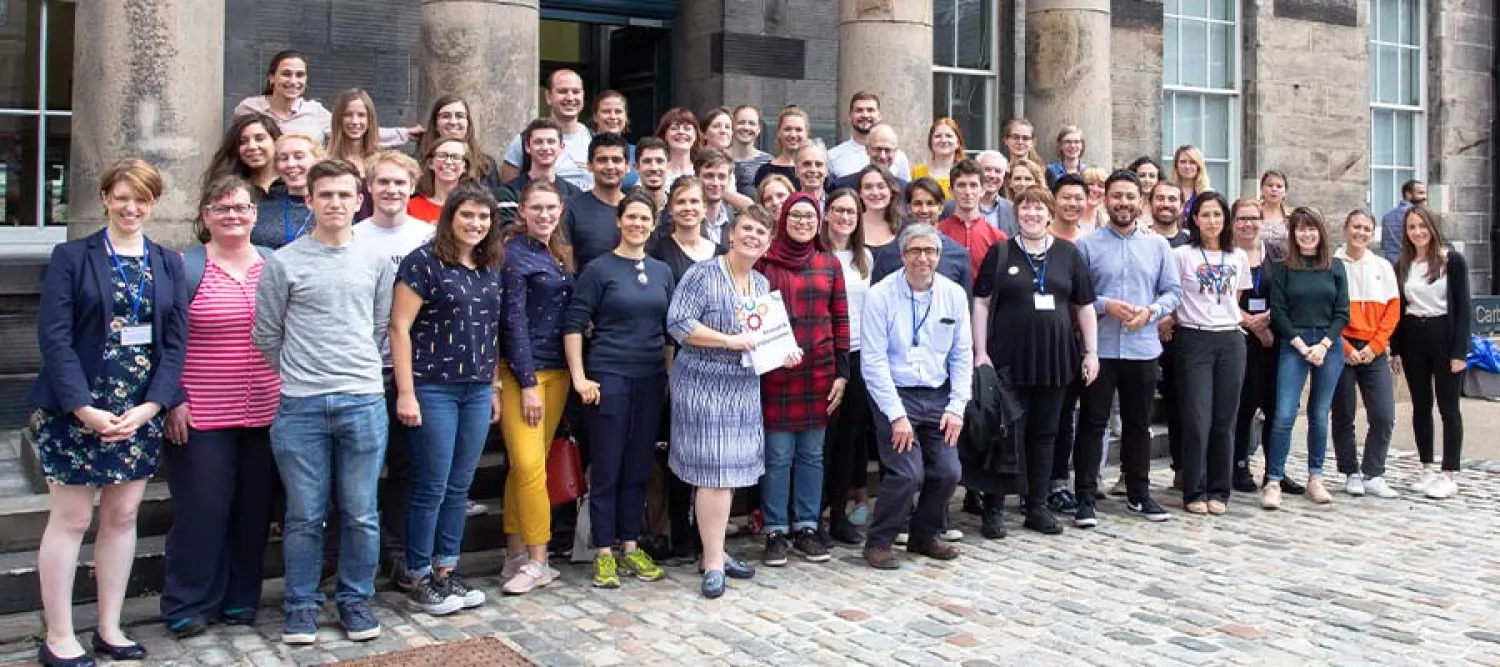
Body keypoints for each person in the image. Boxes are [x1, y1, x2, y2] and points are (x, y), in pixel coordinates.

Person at [33, 160, 185, 666]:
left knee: (121, 517)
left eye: (141, 198)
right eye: (121, 196)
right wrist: (83, 408)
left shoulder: (167, 262)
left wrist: (151, 407)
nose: (131, 207)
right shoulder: (71, 257)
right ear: (104, 197)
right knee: (72, 519)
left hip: (138, 415)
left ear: (153, 203)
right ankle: (58, 634)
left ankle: (109, 627)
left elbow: (175, 344)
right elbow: (54, 339)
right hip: (77, 412)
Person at [252, 159, 394, 645]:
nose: (336, 203)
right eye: (326, 195)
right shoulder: (284, 262)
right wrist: (301, 372)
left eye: (344, 195)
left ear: (359, 202)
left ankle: (355, 601)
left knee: (360, 511)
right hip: (301, 406)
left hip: (362, 401)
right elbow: (268, 333)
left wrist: (348, 368)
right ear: (309, 201)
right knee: (305, 514)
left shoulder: (375, 261)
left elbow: (378, 327)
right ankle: (301, 605)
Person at [160, 176, 280, 640]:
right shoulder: (183, 268)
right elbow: (165, 342)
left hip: (266, 411)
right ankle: (188, 601)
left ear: (255, 215)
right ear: (206, 215)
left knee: (253, 511)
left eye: (242, 208)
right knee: (202, 510)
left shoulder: (273, 265)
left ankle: (239, 599)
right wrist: (173, 398)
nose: (233, 215)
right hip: (201, 413)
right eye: (222, 208)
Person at [389, 182, 504, 615]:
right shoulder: (423, 263)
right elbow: (399, 327)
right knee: (431, 484)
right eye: (467, 215)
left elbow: (492, 331)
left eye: (483, 216)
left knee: (459, 485)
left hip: (475, 388)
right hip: (432, 386)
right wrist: (406, 392)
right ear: (450, 216)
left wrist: (493, 385)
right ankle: (417, 573)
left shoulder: (490, 265)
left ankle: (446, 569)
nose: (475, 224)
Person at [665, 206, 781, 598]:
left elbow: (763, 339)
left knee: (729, 474)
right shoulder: (703, 273)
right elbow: (678, 323)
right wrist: (728, 340)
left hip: (744, 386)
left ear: (768, 244)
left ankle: (712, 551)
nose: (752, 236)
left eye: (760, 233)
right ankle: (714, 563)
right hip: (703, 382)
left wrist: (783, 351)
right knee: (714, 472)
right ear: (732, 233)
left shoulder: (763, 286)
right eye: (746, 228)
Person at [971, 186, 1099, 536]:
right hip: (1007, 359)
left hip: (1055, 359)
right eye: (1025, 208)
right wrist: (980, 352)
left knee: (1046, 434)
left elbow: (1085, 305)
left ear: (1050, 213)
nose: (1031, 214)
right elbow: (981, 303)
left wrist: (1091, 352)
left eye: (1039, 209)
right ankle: (994, 509)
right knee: (1006, 433)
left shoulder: (1069, 255)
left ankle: (1037, 506)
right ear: (1017, 214)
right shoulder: (1000, 253)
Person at [563, 192, 675, 588]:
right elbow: (575, 325)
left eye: (645, 218)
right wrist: (580, 378)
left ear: (653, 223)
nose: (638, 224)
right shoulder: (598, 269)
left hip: (649, 379)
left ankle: (631, 545)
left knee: (639, 467)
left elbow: (667, 333)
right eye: (631, 217)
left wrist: (667, 376)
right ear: (619, 220)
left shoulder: (662, 271)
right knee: (608, 467)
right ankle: (604, 551)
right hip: (608, 376)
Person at [860, 224, 972, 569]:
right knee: (907, 473)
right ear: (902, 255)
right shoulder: (880, 295)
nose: (923, 258)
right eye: (915, 251)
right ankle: (879, 541)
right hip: (896, 392)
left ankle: (925, 535)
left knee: (948, 471)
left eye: (930, 252)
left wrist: (957, 406)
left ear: (939, 256)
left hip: (938, 394)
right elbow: (873, 361)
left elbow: (962, 353)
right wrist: (896, 415)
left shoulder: (952, 294)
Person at [1074, 171, 1182, 525]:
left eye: (1130, 196)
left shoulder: (1157, 246)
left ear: (1141, 201)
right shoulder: (1087, 245)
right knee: (1093, 423)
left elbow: (1173, 292)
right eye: (1116, 196)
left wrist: (1152, 312)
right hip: (1101, 347)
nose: (1123, 203)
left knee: (1138, 425)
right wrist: (1108, 306)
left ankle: (1139, 493)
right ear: (1105, 199)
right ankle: (1086, 498)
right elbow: (1080, 294)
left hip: (1143, 347)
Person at [350, 151, 433, 587]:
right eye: (382, 182)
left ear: (412, 186)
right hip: (364, 369)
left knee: (407, 467)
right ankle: (358, 559)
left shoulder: (428, 237)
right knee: (362, 469)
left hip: (418, 371)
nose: (391, 190)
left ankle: (398, 553)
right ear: (369, 187)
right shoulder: (353, 237)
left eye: (399, 183)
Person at [755, 193, 849, 567]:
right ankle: (776, 529)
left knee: (811, 455)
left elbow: (841, 321)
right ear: (783, 218)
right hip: (776, 374)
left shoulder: (829, 264)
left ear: (819, 220)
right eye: (795, 214)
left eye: (810, 216)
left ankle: (807, 526)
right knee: (777, 457)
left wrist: (842, 373)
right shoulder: (764, 264)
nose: (802, 221)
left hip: (819, 373)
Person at [496, 181, 575, 594]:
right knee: (529, 466)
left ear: (560, 210)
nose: (545, 215)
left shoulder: (557, 254)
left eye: (551, 208)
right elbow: (513, 322)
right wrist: (525, 381)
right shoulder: (513, 256)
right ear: (522, 211)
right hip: (524, 374)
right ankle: (539, 560)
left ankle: (514, 553)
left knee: (527, 465)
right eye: (537, 208)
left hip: (558, 372)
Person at [648, 177, 724, 561]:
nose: (689, 208)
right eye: (681, 201)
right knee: (678, 447)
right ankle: (679, 527)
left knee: (709, 447)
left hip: (718, 363)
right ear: (671, 207)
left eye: (695, 201)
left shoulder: (720, 251)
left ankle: (705, 529)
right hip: (674, 359)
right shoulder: (658, 250)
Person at [1264, 207, 1349, 509]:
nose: (1306, 234)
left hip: (1328, 344)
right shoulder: (1283, 268)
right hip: (1294, 342)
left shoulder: (1335, 267)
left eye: (1311, 229)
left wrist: (1324, 344)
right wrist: (1302, 346)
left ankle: (1316, 477)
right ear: (1293, 233)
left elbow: (1342, 312)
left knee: (1319, 413)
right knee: (1285, 413)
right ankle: (1273, 479)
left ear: (1321, 232)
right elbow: (1279, 312)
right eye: (1300, 229)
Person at [1171, 191, 1251, 515]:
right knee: (1197, 417)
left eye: (1218, 215)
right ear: (1194, 219)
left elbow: (1238, 297)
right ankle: (1195, 489)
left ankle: (1220, 488)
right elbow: (1174, 296)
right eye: (1205, 215)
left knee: (1224, 418)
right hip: (1194, 339)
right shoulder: (1182, 255)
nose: (1212, 221)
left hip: (1230, 339)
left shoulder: (1238, 257)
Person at [1392, 206, 1471, 500]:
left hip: (1444, 335)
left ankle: (1449, 473)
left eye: (1422, 226)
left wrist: (1460, 350)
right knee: (1421, 405)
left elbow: (1463, 308)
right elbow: (1399, 309)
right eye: (1412, 227)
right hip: (1414, 335)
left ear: (1433, 228)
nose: (1417, 233)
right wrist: (1396, 348)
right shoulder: (1402, 264)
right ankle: (1427, 467)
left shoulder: (1453, 261)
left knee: (1448, 407)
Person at [1331, 210, 1401, 499]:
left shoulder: (1382, 266)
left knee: (1384, 414)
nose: (1361, 233)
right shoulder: (1333, 265)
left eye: (1367, 229)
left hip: (1373, 348)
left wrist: (1376, 346)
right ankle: (1350, 472)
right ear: (1346, 228)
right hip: (1341, 346)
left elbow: (1392, 309)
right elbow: (1325, 311)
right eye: (1356, 227)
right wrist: (1344, 347)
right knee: (1343, 413)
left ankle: (1374, 471)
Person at [819, 189, 874, 544]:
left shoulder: (864, 257)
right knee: (821, 441)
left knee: (848, 441)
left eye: (851, 212)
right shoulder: (815, 252)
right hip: (823, 356)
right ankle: (812, 515)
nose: (844, 217)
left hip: (857, 354)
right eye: (838, 210)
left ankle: (839, 515)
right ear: (826, 214)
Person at [233, 50, 419, 148]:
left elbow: (355, 130)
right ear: (272, 78)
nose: (293, 81)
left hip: (304, 189)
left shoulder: (314, 111)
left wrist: (407, 134)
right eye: (286, 74)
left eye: (300, 75)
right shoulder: (249, 109)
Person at [1229, 198, 1290, 494]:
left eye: (1253, 218)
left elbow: (1286, 295)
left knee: (1275, 407)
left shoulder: (1276, 255)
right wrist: (1250, 323)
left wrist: (1266, 321)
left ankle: (1275, 469)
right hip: (1238, 340)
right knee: (1242, 405)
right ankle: (1238, 464)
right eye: (1241, 218)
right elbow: (1223, 299)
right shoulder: (1226, 255)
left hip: (1272, 340)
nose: (1248, 224)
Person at [870, 178, 973, 291]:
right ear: (908, 208)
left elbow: (964, 304)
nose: (924, 210)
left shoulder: (958, 255)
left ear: (940, 208)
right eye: (918, 204)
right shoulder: (889, 254)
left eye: (930, 203)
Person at [500, 69, 592, 189]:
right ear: (548, 97)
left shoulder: (594, 139)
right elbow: (509, 192)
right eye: (562, 91)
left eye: (576, 92)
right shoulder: (523, 141)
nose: (570, 97)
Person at [565, 133, 632, 270]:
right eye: (602, 160)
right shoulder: (571, 209)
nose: (610, 166)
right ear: (590, 165)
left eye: (616, 160)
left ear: (627, 166)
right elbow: (567, 266)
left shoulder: (639, 209)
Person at [418, 94, 502, 193]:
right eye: (445, 116)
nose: (453, 122)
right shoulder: (418, 162)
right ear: (435, 124)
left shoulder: (486, 164)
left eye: (459, 116)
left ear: (468, 123)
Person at [250, 134, 322, 249]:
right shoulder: (261, 205)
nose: (290, 164)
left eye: (299, 157)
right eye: (283, 158)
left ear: (317, 161)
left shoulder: (332, 203)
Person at [937, 159, 1006, 278]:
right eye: (961, 185)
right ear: (951, 191)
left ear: (982, 190)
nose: (968, 192)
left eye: (973, 185)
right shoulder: (937, 233)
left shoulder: (998, 238)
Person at [828, 91, 912, 180]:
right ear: (850, 115)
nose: (865, 115)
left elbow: (904, 190)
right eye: (859, 110)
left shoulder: (898, 157)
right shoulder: (833, 157)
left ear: (879, 116)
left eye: (870, 110)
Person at [503, 118, 584, 200]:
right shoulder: (509, 193)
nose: (545, 147)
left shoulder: (575, 195)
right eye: (538, 142)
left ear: (561, 147)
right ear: (527, 147)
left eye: (551, 141)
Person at [204, 113, 281, 196]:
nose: (252, 146)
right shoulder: (226, 187)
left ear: (276, 141)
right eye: (243, 142)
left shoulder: (292, 182)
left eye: (259, 139)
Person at [408, 137, 472, 224]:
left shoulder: (474, 207)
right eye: (442, 156)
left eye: (456, 157)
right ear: (430, 163)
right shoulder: (411, 206)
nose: (448, 162)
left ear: (465, 167)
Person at [591, 90, 639, 190]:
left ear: (626, 117)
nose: (613, 116)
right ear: (595, 117)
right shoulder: (584, 148)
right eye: (606, 111)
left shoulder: (637, 152)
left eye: (618, 111)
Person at [753, 106, 810, 191]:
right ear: (779, 133)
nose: (793, 135)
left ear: (806, 133)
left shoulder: (815, 169)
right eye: (788, 129)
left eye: (798, 130)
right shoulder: (765, 172)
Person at [327, 89, 381, 175]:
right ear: (338, 119)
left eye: (361, 115)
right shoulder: (326, 163)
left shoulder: (381, 162)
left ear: (370, 120)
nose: (355, 121)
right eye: (348, 115)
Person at [911, 118, 965, 198]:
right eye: (938, 136)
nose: (943, 140)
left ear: (957, 142)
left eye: (948, 136)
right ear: (930, 142)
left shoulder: (965, 173)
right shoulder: (917, 173)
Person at [694, 148, 738, 244]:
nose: (715, 183)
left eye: (721, 177)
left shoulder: (735, 222)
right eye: (709, 176)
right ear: (696, 178)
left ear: (729, 180)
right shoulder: (685, 218)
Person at [730, 105, 773, 199]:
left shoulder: (768, 162)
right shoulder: (720, 158)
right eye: (741, 122)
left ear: (758, 129)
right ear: (732, 126)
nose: (746, 127)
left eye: (752, 123)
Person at [1380, 179, 1427, 264]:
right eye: (1420, 193)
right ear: (1408, 194)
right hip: (1411, 265)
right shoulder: (1420, 216)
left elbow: (1384, 245)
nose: (1425, 197)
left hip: (1392, 266)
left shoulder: (1387, 216)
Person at [656, 107, 699, 188]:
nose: (681, 132)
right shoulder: (656, 171)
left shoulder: (703, 171)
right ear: (664, 135)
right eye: (674, 128)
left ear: (695, 135)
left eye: (687, 129)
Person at [1170, 145, 1211, 223]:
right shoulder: (1168, 190)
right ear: (1176, 165)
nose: (1187, 166)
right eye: (1183, 162)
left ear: (1198, 166)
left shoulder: (1207, 193)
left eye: (1192, 162)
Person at [632, 136, 671, 211]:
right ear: (636, 167)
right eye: (647, 161)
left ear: (668, 166)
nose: (654, 168)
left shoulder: (679, 207)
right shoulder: (624, 209)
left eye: (659, 161)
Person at [1258, 170, 1292, 250]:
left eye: (1279, 186)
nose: (1274, 189)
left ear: (1285, 192)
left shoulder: (1290, 218)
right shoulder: (1253, 214)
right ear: (1262, 189)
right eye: (1270, 185)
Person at [1080, 167, 1109, 233]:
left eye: (1101, 186)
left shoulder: (1108, 223)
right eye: (1090, 184)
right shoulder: (1067, 219)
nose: (1095, 189)